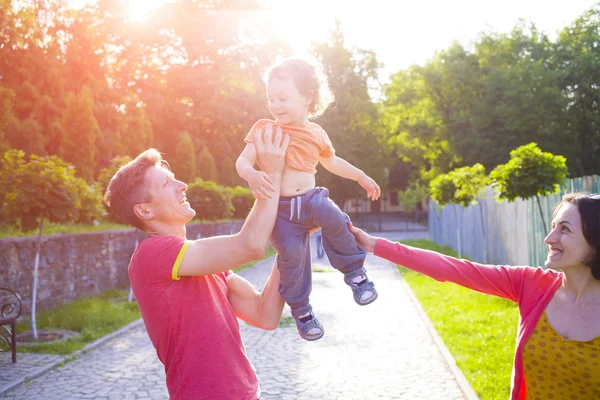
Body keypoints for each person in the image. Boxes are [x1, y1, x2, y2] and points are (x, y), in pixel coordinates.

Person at [348, 192, 600, 400]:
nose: (549, 238)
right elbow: (452, 268)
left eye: (564, 230)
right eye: (553, 226)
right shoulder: (532, 284)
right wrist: (375, 245)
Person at [103, 126, 289, 400]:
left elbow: (266, 314)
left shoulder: (210, 267)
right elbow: (250, 245)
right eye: (167, 184)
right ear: (145, 210)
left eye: (175, 179)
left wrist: (290, 249)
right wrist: (272, 173)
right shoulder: (151, 254)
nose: (183, 185)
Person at [236, 57, 382, 341]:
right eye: (271, 99)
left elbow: (333, 162)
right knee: (290, 257)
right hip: (281, 212)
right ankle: (302, 310)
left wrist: (360, 176)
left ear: (306, 98)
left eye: (282, 98)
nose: (275, 106)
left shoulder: (316, 133)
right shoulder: (264, 129)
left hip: (312, 200)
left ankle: (355, 274)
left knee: (336, 218)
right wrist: (252, 175)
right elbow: (242, 161)